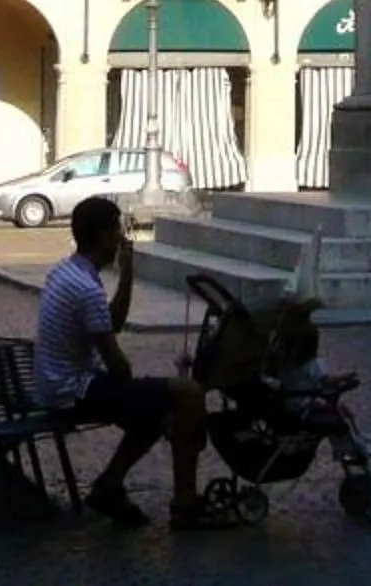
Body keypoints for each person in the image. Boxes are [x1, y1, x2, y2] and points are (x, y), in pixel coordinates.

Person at [33, 195, 217, 529]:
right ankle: (185, 503)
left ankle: (111, 485)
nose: (121, 236)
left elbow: (111, 322)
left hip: (58, 383)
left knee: (154, 408)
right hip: (72, 391)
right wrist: (137, 385)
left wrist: (128, 271)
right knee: (187, 394)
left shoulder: (66, 271)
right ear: (105, 236)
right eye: (118, 229)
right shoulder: (85, 289)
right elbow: (118, 367)